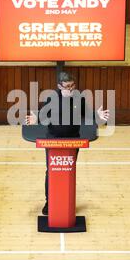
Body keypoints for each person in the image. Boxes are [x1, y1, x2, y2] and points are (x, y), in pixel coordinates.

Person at [25, 71, 110, 215]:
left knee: (68, 170)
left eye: (72, 86)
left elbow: (89, 115)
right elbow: (42, 115)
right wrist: (36, 120)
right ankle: (49, 202)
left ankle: (67, 200)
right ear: (59, 86)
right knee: (51, 171)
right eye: (67, 87)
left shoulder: (79, 98)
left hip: (72, 140)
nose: (70, 89)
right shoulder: (52, 98)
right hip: (53, 141)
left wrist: (99, 117)